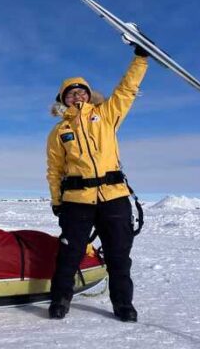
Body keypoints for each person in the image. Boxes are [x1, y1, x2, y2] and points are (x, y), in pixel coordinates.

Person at [46, 45, 149, 321]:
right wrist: (57, 201)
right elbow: (54, 170)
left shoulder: (106, 115)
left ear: (89, 95)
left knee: (118, 256)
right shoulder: (60, 131)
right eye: (71, 92)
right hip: (76, 202)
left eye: (82, 91)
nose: (77, 95)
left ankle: (123, 305)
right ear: (63, 99)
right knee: (69, 255)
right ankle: (60, 300)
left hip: (114, 197)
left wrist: (140, 59)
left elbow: (127, 90)